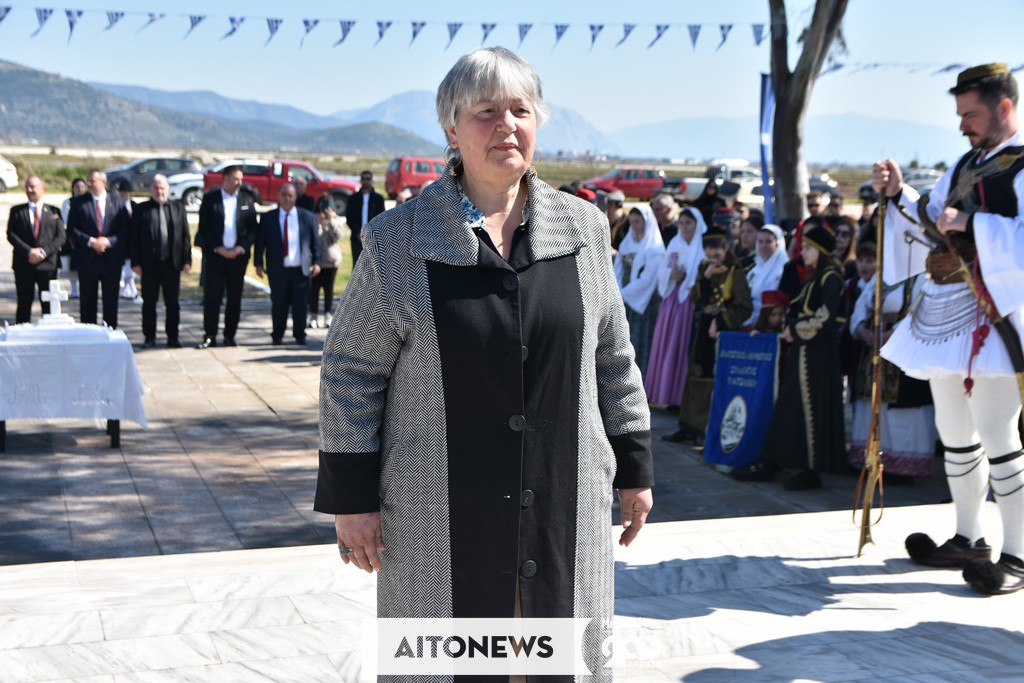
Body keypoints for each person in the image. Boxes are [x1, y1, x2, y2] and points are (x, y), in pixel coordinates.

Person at [314, 47, 653, 670]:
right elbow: (351, 373)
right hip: (437, 516)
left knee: (556, 662)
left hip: (563, 505)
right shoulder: (398, 240)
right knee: (447, 666)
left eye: (520, 110)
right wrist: (352, 500)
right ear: (451, 129)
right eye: (486, 112)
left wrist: (634, 467)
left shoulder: (584, 229)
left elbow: (613, 358)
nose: (507, 126)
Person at [872, 63, 1024, 595]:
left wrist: (974, 223)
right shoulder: (964, 164)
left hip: (997, 318)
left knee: (999, 433)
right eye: (959, 115)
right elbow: (931, 218)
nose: (962, 126)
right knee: (955, 434)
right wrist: (899, 194)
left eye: (971, 114)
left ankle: (1018, 553)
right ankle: (968, 537)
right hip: (948, 314)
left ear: (1004, 107)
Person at [734, 223, 846, 489]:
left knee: (810, 407)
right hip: (804, 350)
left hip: (817, 354)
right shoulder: (815, 276)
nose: (802, 252)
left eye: (808, 248)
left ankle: (811, 470)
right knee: (791, 406)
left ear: (820, 251)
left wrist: (795, 329)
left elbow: (826, 316)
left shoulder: (830, 277)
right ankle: (778, 461)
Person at [847, 272, 936, 482]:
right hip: (875, 349)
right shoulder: (882, 273)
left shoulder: (922, 276)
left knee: (901, 410)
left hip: (903, 351)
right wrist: (861, 328)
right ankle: (870, 460)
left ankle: (901, 466)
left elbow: (922, 310)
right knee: (872, 404)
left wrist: (891, 333)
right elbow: (862, 303)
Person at [670, 224, 753, 445]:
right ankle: (689, 426)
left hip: (722, 333)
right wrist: (705, 277)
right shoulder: (704, 267)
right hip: (702, 327)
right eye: (707, 247)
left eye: (716, 247)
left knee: (713, 378)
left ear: (726, 247)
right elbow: (696, 298)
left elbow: (745, 308)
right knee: (695, 374)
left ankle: (707, 428)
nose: (712, 252)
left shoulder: (736, 271)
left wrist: (721, 321)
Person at [646, 206, 707, 406]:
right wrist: (670, 274)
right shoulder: (675, 243)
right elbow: (662, 270)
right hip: (672, 300)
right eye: (681, 223)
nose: (685, 227)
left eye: (689, 223)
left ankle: (679, 397)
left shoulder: (702, 246)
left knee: (681, 346)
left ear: (697, 224)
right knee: (667, 345)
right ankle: (663, 393)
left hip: (690, 302)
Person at [196, 165, 258, 348]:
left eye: (241, 179)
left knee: (234, 297)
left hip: (237, 258)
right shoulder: (211, 199)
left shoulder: (247, 199)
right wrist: (217, 248)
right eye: (235, 179)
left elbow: (253, 229)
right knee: (212, 297)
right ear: (225, 179)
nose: (239, 183)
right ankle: (210, 335)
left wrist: (241, 248)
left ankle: (230, 335)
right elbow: (204, 227)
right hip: (216, 257)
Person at [129, 174, 191, 348]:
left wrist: (187, 260)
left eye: (162, 188)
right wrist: (135, 262)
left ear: (168, 189)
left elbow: (185, 236)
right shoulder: (141, 209)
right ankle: (149, 337)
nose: (159, 191)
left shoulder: (178, 208)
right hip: (150, 265)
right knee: (149, 304)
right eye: (156, 188)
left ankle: (173, 337)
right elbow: (133, 238)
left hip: (172, 264)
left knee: (173, 304)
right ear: (151, 190)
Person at [255, 183, 321, 345]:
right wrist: (258, 263)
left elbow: (316, 243)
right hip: (278, 269)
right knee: (279, 304)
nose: (287, 199)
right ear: (278, 196)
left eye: (290, 195)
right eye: (284, 195)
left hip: (301, 269)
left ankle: (300, 334)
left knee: (300, 304)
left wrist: (317, 263)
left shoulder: (307, 217)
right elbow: (260, 243)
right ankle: (277, 334)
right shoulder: (268, 218)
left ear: (295, 197)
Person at [66, 169, 129, 328]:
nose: (88, 183)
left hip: (111, 260)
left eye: (92, 181)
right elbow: (72, 228)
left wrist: (108, 241)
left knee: (111, 302)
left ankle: (110, 332)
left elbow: (125, 228)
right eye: (88, 180)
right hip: (87, 259)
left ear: (103, 182)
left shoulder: (117, 202)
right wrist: (91, 242)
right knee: (87, 302)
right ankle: (89, 333)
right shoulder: (79, 202)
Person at [614, 205, 666, 381]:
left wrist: (623, 294)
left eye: (638, 221)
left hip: (642, 303)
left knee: (639, 342)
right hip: (624, 300)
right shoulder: (627, 244)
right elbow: (617, 269)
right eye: (632, 222)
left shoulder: (654, 249)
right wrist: (617, 291)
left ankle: (638, 382)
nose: (634, 225)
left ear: (647, 222)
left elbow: (647, 279)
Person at [6, 175, 66, 324]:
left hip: (48, 265)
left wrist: (43, 252)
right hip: (24, 264)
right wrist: (29, 251)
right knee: (24, 303)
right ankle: (21, 332)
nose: (29, 190)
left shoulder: (53, 211)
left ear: (42, 188)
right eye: (27, 187)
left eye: (33, 186)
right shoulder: (16, 211)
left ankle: (49, 333)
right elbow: (11, 235)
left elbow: (61, 237)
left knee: (48, 305)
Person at [308, 197, 345, 329]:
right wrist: (318, 223)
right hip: (317, 260)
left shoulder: (336, 219)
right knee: (314, 289)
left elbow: (338, 236)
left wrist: (331, 220)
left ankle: (328, 315)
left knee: (329, 289)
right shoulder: (314, 218)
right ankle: (313, 316)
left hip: (330, 260)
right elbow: (312, 238)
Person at [743, 223, 788, 328]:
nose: (763, 246)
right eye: (760, 242)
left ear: (778, 243)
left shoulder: (785, 269)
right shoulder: (752, 271)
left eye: (768, 241)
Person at [344, 169, 384, 265]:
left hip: (373, 238)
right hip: (356, 238)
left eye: (368, 179)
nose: (366, 181)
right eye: (363, 179)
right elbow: (349, 218)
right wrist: (358, 233)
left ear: (372, 180)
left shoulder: (378, 199)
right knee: (357, 265)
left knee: (373, 265)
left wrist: (371, 233)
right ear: (360, 180)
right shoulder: (353, 198)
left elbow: (381, 217)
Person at [60, 177, 85, 299]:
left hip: (85, 238)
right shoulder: (68, 202)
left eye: (82, 187)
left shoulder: (87, 201)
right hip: (71, 237)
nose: (80, 189)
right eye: (77, 187)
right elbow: (65, 219)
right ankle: (74, 288)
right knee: (71, 265)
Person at [115, 178, 139, 300]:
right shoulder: (115, 204)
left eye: (126, 193)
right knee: (120, 265)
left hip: (131, 240)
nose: (124, 195)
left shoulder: (134, 205)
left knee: (130, 265)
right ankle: (124, 288)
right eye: (122, 193)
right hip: (119, 240)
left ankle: (131, 288)